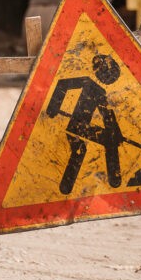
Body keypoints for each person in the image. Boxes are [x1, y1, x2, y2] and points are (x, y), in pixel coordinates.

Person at [45, 53, 126, 194]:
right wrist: (53, 107)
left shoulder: (101, 92)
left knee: (106, 142)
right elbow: (62, 84)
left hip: (83, 126)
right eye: (110, 75)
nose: (111, 80)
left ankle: (113, 178)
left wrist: (116, 133)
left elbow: (107, 115)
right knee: (83, 147)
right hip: (76, 125)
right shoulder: (86, 82)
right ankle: (67, 186)